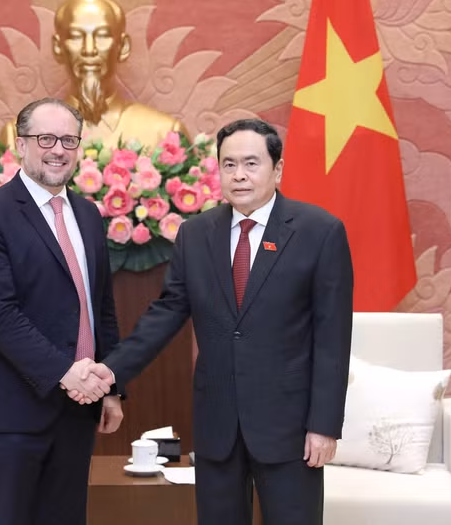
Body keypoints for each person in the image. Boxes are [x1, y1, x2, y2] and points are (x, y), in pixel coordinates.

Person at [79, 118, 354, 525]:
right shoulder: (196, 234)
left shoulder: (320, 231)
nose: (239, 175)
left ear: (277, 169)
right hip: (217, 423)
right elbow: (167, 311)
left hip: (290, 427)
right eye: (228, 164)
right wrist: (111, 372)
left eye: (251, 163)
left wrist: (324, 425)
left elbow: (333, 339)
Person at [0, 97, 123, 525]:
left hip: (76, 412)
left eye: (69, 139)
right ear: (20, 145)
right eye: (46, 138)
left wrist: (112, 387)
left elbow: (100, 307)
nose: (58, 149)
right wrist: (67, 374)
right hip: (9, 413)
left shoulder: (87, 214)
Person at [2, 0, 186, 151]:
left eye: (102, 36)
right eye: (75, 36)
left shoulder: (165, 134)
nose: (89, 50)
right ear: (58, 47)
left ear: (122, 47)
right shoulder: (21, 137)